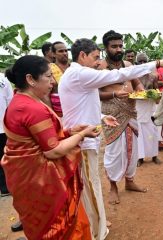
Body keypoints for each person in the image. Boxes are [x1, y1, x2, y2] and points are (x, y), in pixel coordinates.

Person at [59, 38, 163, 240]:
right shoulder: (79, 73)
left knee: (88, 185)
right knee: (91, 185)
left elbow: (84, 106)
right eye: (95, 58)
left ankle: (96, 219)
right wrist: (156, 63)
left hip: (92, 131)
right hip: (83, 141)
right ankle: (97, 230)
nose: (97, 62)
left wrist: (102, 117)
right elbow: (118, 75)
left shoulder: (77, 74)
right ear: (82, 56)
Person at [1, 55, 99, 240]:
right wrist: (81, 135)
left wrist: (69, 131)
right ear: (30, 79)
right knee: (58, 227)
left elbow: (39, 139)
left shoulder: (21, 100)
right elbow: (52, 150)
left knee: (39, 225)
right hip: (42, 181)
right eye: (48, 76)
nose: (53, 82)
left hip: (26, 178)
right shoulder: (31, 108)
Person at [98, 31, 151, 207]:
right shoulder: (100, 67)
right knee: (114, 152)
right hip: (112, 114)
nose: (118, 49)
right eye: (114, 46)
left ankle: (129, 181)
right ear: (106, 48)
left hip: (131, 111)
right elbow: (94, 93)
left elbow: (137, 83)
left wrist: (142, 90)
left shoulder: (128, 64)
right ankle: (113, 186)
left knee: (132, 149)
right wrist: (113, 93)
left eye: (120, 45)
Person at [135, 53, 162, 167]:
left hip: (151, 107)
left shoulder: (153, 76)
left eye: (144, 61)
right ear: (136, 63)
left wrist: (155, 96)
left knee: (153, 132)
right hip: (139, 107)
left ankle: (154, 156)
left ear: (148, 63)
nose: (142, 64)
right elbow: (132, 92)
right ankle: (140, 158)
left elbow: (157, 93)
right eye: (140, 62)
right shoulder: (134, 77)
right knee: (139, 134)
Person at [0, 73, 13, 197]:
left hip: (3, 127)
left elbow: (10, 101)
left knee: (5, 157)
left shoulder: (3, 79)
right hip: (3, 126)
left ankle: (5, 187)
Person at [49, 41, 70, 117]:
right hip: (59, 114)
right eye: (61, 51)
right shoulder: (49, 70)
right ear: (53, 54)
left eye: (66, 51)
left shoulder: (74, 68)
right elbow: (45, 95)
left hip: (77, 110)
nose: (64, 53)